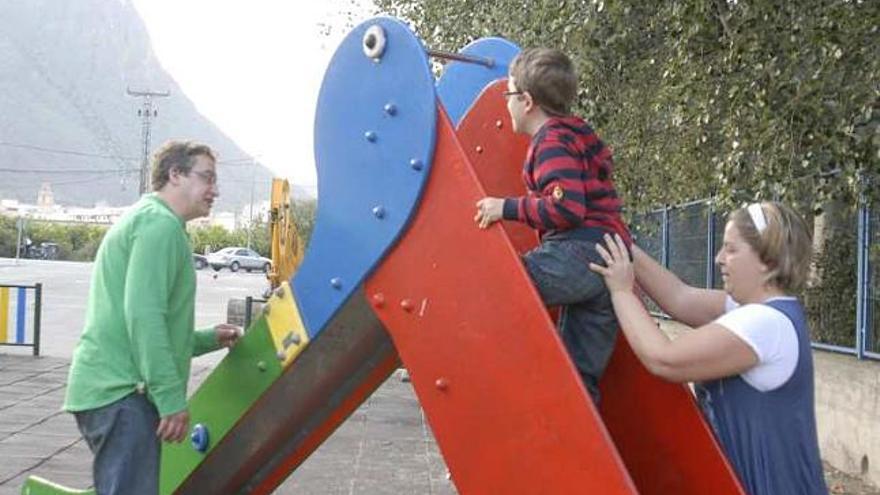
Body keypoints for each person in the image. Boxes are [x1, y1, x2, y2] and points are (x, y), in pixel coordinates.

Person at [589, 202, 827, 495]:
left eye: (731, 249)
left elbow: (664, 360)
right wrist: (618, 240)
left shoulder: (765, 324)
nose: (719, 258)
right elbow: (679, 297)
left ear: (767, 261)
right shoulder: (762, 312)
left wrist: (621, 291)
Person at [63, 140, 242, 495]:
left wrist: (208, 338)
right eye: (207, 178)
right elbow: (143, 318)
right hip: (122, 393)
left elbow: (142, 322)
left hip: (110, 389)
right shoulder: (159, 226)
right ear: (175, 174)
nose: (214, 190)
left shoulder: (150, 221)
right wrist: (171, 400)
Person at [474, 47, 631, 402]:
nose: (506, 103)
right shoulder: (577, 133)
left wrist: (506, 208)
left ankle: (504, 374)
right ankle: (585, 449)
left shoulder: (551, 141)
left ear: (526, 101)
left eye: (508, 94)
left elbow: (567, 209)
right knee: (581, 377)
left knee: (501, 283)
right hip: (611, 264)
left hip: (579, 254)